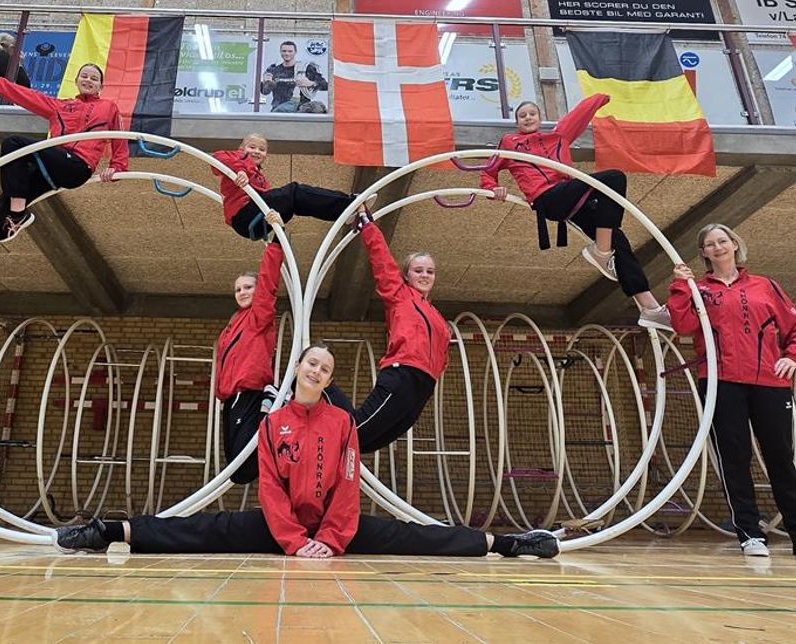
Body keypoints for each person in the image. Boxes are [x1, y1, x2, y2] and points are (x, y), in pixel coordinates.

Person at [56, 344, 559, 560]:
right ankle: (108, 531)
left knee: (415, 537)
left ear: (330, 379)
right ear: (297, 368)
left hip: (336, 530)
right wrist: (296, 542)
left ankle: (510, 544)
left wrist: (333, 540)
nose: (317, 372)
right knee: (208, 528)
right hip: (286, 529)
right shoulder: (273, 422)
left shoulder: (341, 421)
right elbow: (271, 486)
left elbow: (346, 482)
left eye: (326, 369)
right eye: (311, 364)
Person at [479, 96, 671, 331]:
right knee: (614, 177)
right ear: (517, 122)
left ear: (540, 118)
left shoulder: (558, 135)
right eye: (522, 115)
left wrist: (601, 95)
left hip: (572, 199)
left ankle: (649, 308)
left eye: (532, 113)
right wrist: (491, 190)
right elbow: (488, 171)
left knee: (618, 241)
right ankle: (601, 251)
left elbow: (578, 114)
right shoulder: (510, 142)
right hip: (547, 198)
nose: (528, 117)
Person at [669, 223, 796, 558]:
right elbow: (683, 326)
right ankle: (750, 534)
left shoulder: (765, 286)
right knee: (734, 457)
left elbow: (793, 327)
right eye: (710, 244)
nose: (718, 247)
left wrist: (791, 358)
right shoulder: (698, 289)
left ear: (735, 245)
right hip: (721, 383)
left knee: (782, 457)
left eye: (723, 241)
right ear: (703, 253)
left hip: (770, 382)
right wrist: (681, 286)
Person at [0, 63, 128, 273]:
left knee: (14, 143)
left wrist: (117, 168)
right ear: (77, 81)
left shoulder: (109, 107)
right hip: (52, 168)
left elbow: (119, 138)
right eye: (84, 76)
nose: (88, 80)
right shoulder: (60, 106)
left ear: (100, 86)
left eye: (94, 78)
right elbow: (27, 96)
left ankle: (17, 214)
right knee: (6, 199)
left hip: (77, 166)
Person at [324, 211, 450, 454]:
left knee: (364, 445)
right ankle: (321, 386)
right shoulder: (399, 294)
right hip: (402, 374)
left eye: (429, 271)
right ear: (406, 275)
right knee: (356, 432)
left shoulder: (436, 316)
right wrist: (367, 225)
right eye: (418, 270)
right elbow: (382, 260)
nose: (425, 275)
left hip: (424, 386)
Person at [217, 223, 285, 484]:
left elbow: (268, 283)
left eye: (248, 287)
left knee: (243, 467)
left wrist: (276, 243)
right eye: (238, 289)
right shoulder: (234, 322)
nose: (243, 292)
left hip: (248, 393)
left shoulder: (259, 315)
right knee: (235, 469)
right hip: (231, 397)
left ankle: (274, 418)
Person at [212, 133, 375, 241]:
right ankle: (348, 203)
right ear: (241, 148)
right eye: (252, 147)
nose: (256, 152)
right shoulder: (236, 159)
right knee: (294, 191)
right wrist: (239, 170)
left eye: (262, 149)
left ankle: (342, 213)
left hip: (257, 223)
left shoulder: (261, 180)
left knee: (296, 202)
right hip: (243, 216)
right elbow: (217, 158)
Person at [260, 41, 328, 114]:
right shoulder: (273, 69)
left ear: (295, 52)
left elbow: (325, 85)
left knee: (318, 108)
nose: (287, 53)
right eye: (284, 51)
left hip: (301, 110)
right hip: (279, 110)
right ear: (280, 52)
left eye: (290, 51)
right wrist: (267, 82)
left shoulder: (306, 69)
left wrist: (311, 83)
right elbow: (265, 91)